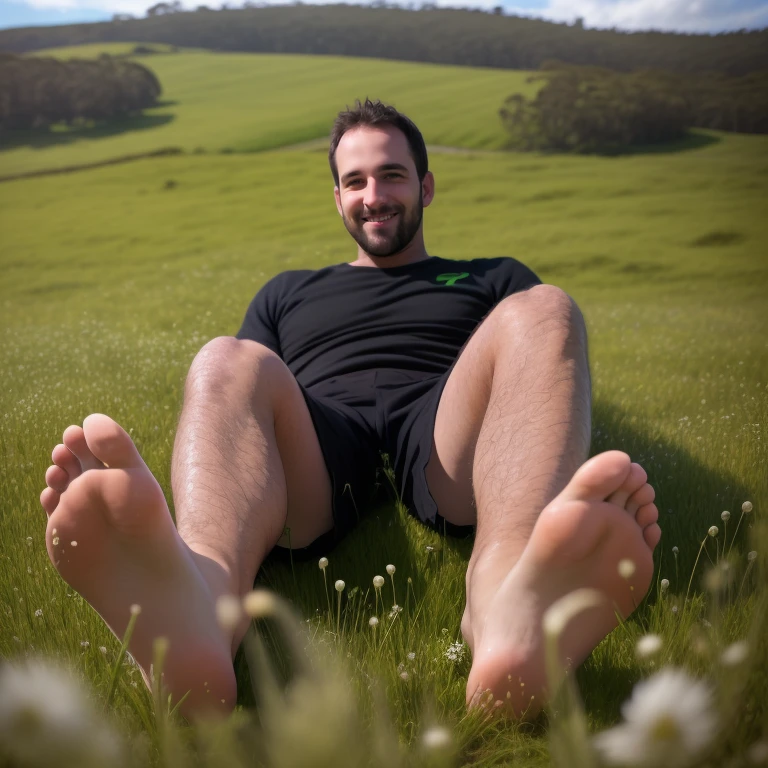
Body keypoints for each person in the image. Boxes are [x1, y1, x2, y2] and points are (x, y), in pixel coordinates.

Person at [40, 99, 660, 720]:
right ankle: (201, 601)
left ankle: (505, 607)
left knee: (546, 308)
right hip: (319, 434)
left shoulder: (490, 277)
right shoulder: (288, 291)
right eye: (354, 181)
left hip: (445, 425)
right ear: (336, 198)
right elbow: (240, 410)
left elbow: (541, 376)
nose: (374, 195)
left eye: (391, 174)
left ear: (426, 185)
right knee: (226, 357)